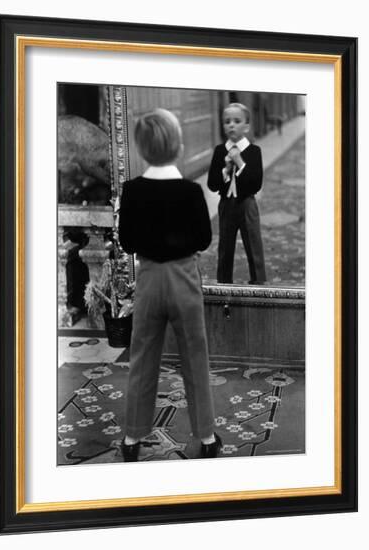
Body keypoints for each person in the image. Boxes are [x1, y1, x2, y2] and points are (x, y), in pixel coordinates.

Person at [118, 108, 221, 462]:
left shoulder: (131, 191)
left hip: (148, 280)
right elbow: (204, 239)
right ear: (178, 146)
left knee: (142, 357)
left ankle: (132, 439)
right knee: (195, 357)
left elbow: (127, 241)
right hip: (184, 279)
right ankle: (206, 436)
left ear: (142, 149)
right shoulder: (191, 191)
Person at [207, 102, 266, 284]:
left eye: (237, 121)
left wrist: (240, 163)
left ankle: (258, 283)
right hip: (226, 205)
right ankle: (224, 284)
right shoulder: (219, 151)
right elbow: (212, 185)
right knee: (225, 248)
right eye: (227, 121)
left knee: (253, 246)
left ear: (246, 126)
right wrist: (224, 170)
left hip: (247, 205)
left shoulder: (254, 151)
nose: (231, 124)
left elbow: (255, 184)